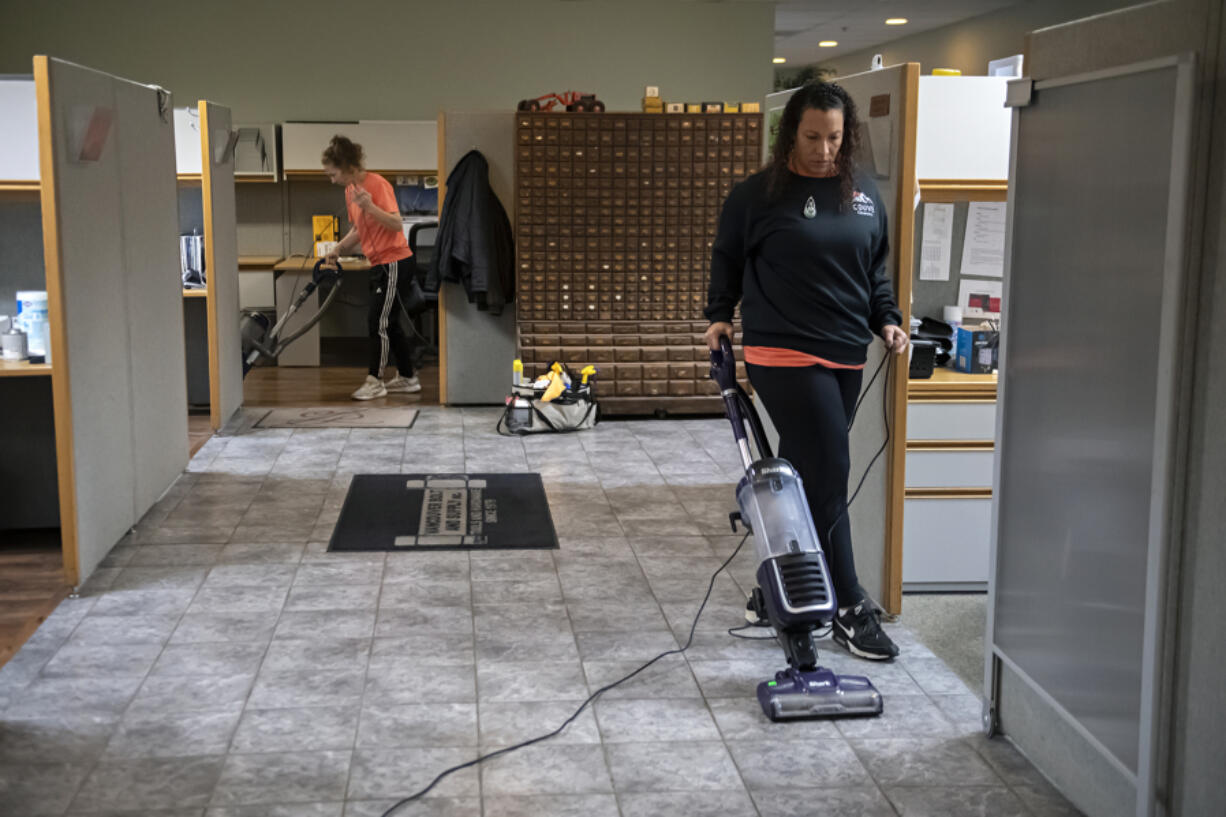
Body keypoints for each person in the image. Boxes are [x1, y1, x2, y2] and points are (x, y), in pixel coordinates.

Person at [704, 82, 909, 660]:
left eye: (835, 138)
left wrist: (887, 319)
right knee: (832, 466)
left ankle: (778, 588)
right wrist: (719, 315)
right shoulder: (757, 196)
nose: (823, 149)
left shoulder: (864, 194)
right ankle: (848, 604)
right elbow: (728, 256)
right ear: (791, 132)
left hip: (845, 351)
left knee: (800, 468)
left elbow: (874, 271)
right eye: (813, 136)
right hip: (781, 351)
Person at [321, 135, 421, 400]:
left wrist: (370, 206)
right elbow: (359, 228)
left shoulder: (377, 184)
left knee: (377, 321)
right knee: (389, 322)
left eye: (333, 174)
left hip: (395, 261)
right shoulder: (349, 191)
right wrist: (338, 248)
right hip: (378, 263)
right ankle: (408, 377)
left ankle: (375, 381)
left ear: (347, 167)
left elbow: (397, 224)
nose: (332, 180)